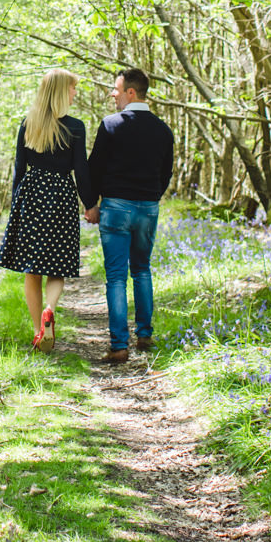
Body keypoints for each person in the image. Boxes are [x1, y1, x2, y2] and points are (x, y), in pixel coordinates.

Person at [0, 67, 95, 352]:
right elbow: (81, 170)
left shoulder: (28, 124)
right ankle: (49, 309)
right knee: (57, 265)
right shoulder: (75, 127)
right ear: (62, 91)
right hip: (62, 196)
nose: (75, 93)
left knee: (32, 270)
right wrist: (90, 204)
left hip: (32, 196)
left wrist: (17, 204)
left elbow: (19, 168)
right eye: (73, 88)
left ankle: (39, 331)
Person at [85, 67, 174, 365]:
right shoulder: (163, 130)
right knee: (142, 269)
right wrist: (151, 197)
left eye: (116, 89)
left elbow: (93, 168)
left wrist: (91, 203)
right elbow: (166, 173)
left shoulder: (111, 125)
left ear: (131, 93)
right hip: (148, 207)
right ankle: (145, 335)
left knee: (116, 277)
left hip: (116, 207)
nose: (113, 94)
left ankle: (119, 346)